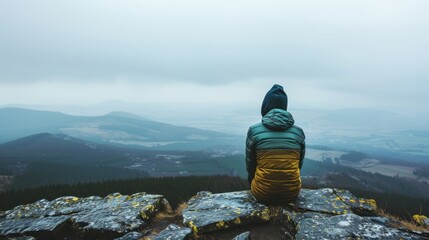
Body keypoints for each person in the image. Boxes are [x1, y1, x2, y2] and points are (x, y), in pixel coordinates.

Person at [245, 84, 305, 204]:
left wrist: (254, 183)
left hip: (262, 193)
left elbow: (250, 165)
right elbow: (299, 165)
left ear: (265, 106)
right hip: (292, 193)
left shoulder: (254, 131)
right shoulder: (298, 132)